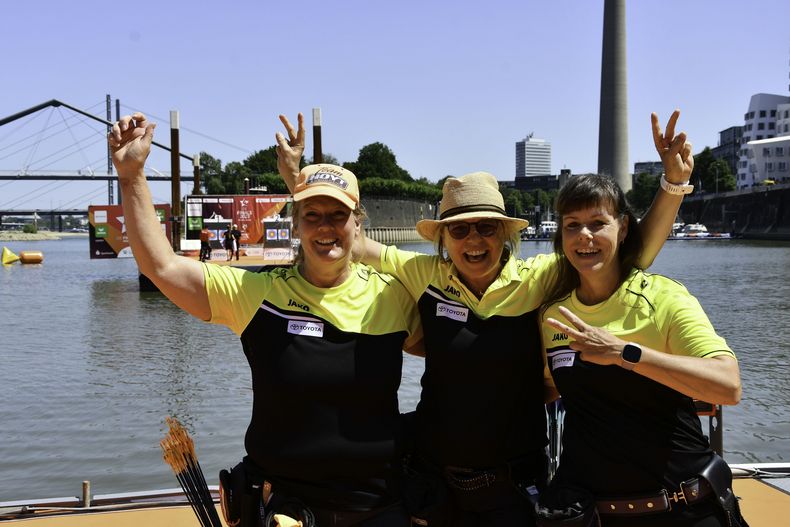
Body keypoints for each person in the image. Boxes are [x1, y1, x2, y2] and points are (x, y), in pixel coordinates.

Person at [275, 110, 694, 526]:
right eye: (459, 230)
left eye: (486, 228)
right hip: (434, 478)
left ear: (506, 234)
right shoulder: (424, 274)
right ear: (442, 238)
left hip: (513, 484)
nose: (473, 239)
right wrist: (299, 182)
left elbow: (630, 253)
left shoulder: (540, 279)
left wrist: (673, 185)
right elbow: (339, 231)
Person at [108, 113, 423, 527]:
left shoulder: (393, 296)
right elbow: (161, 267)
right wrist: (131, 176)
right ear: (295, 225)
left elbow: (459, 359)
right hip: (286, 510)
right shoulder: (258, 294)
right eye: (312, 215)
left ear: (358, 224)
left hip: (379, 508)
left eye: (337, 215)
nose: (325, 227)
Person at [537, 174, 747, 527]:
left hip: (682, 509)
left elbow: (728, 386)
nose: (584, 236)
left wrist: (625, 353)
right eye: (572, 225)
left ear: (622, 228)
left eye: (597, 223)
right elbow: (548, 387)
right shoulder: (552, 315)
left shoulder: (663, 298)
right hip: (591, 515)